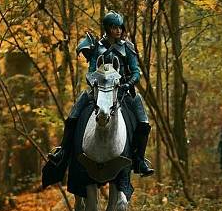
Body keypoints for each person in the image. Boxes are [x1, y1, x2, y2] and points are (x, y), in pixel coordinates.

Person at [48, 11, 154, 176]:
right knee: (72, 117)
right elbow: (91, 71)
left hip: (124, 91)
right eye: (114, 27)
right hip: (100, 90)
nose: (118, 30)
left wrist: (128, 84)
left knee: (144, 122)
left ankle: (139, 160)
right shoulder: (98, 47)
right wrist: (95, 84)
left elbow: (136, 72)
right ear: (107, 28)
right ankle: (63, 151)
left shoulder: (128, 47)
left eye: (120, 27)